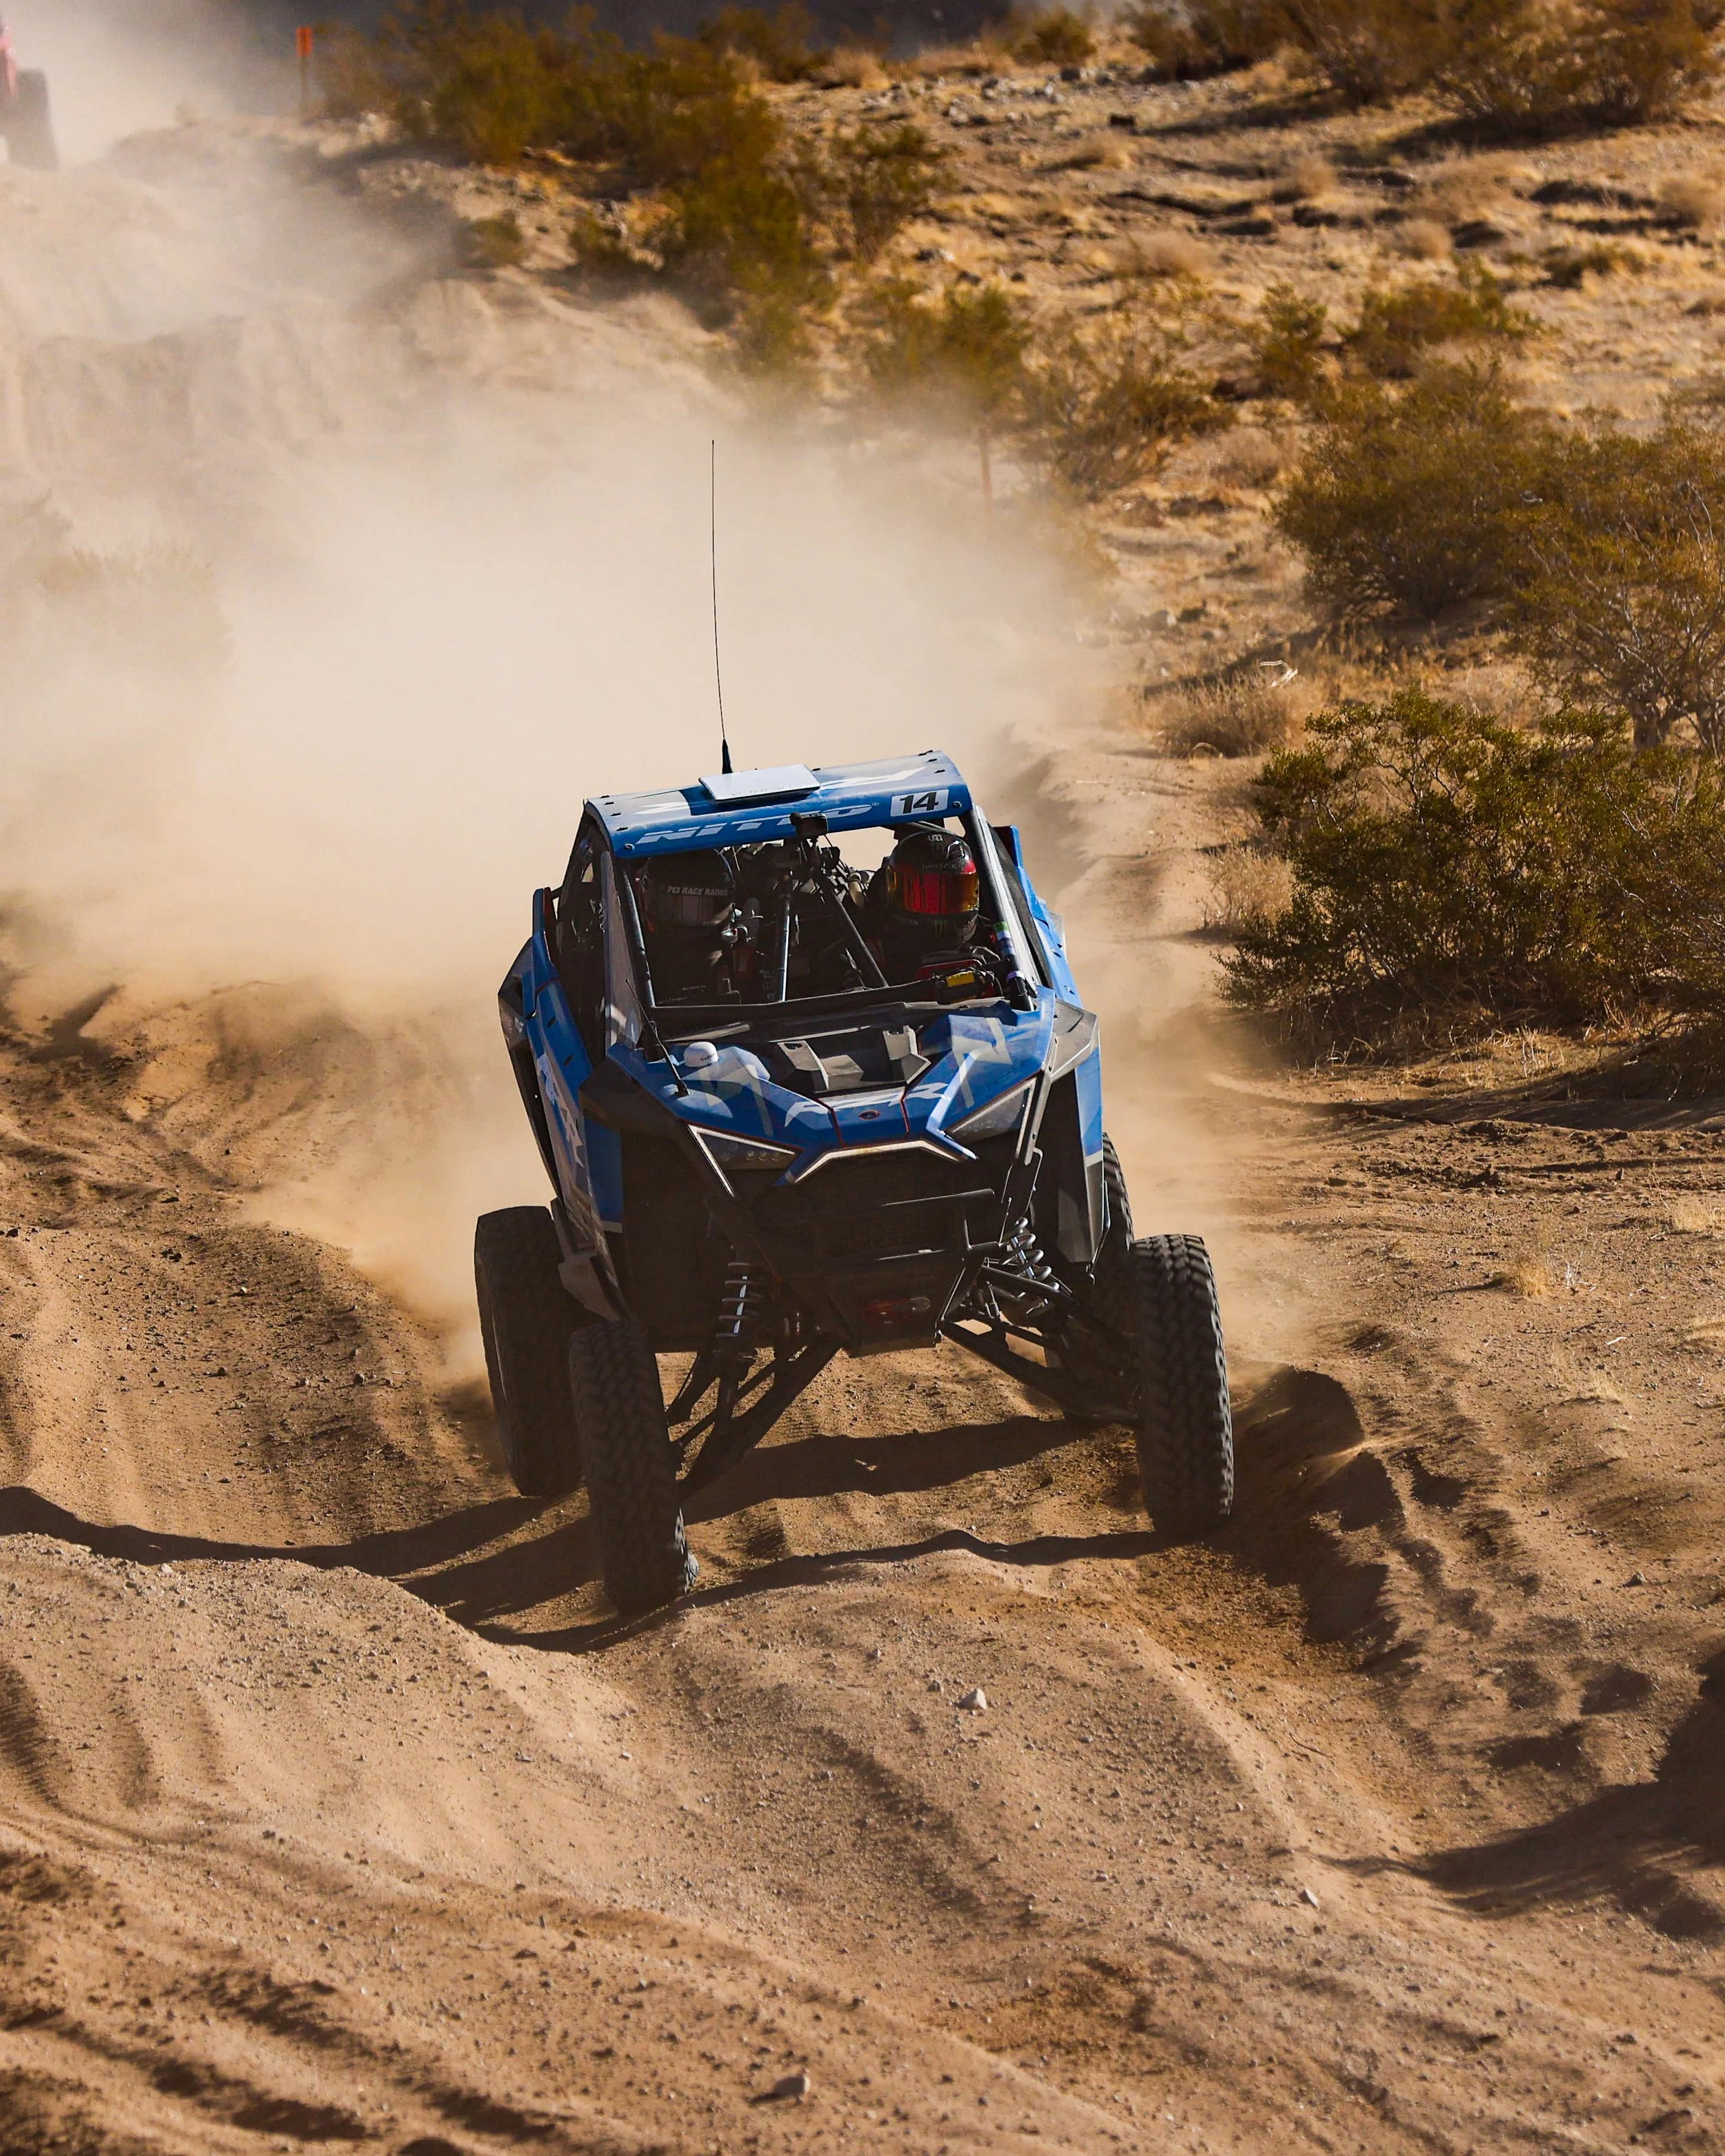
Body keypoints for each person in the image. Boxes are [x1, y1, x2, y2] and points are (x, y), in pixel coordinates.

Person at [865, 824, 1005, 991]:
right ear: (891, 892)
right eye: (927, 895)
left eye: (953, 895)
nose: (939, 909)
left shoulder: (999, 939)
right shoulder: (868, 955)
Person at [635, 850, 742, 1002]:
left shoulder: (739, 959)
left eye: (704, 909)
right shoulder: (630, 957)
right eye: (680, 909)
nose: (693, 921)